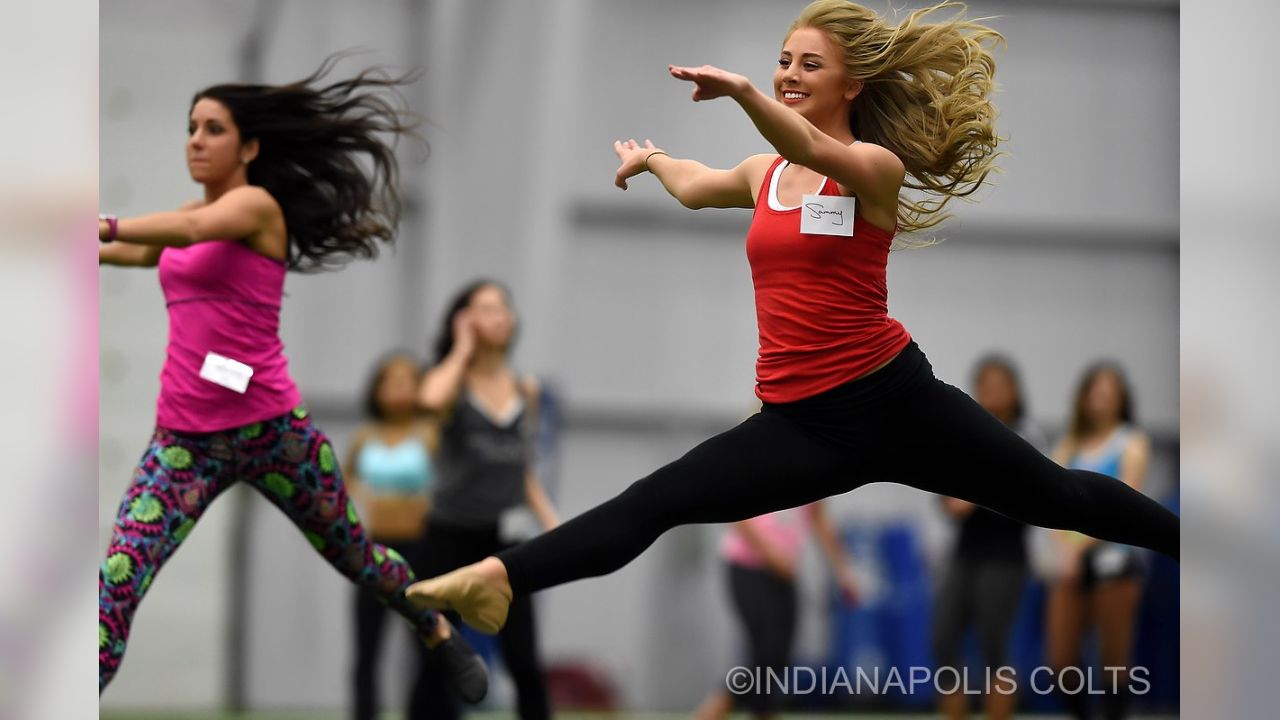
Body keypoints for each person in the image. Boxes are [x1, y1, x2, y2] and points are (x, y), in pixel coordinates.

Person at [403, 0, 1178, 640]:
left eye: (809, 64)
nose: (789, 74)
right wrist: (653, 159)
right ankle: (502, 580)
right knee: (656, 501)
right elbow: (699, 184)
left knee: (1058, 499)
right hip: (800, 423)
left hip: (897, 403)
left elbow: (805, 139)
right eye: (783, 61)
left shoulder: (875, 168)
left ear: (853, 82)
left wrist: (745, 94)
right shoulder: (766, 175)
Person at [97, 57, 487, 703]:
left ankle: (435, 625)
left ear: (249, 147)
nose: (194, 140)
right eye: (190, 128)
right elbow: (140, 248)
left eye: (212, 129)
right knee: (117, 581)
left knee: (358, 557)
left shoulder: (254, 207)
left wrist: (105, 221)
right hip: (184, 444)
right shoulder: (186, 218)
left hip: (273, 432)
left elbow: (188, 229)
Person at [413, 281, 559, 719]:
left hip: (507, 539)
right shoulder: (451, 381)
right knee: (437, 657)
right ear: (465, 320)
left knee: (525, 659)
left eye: (502, 308)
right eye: (484, 309)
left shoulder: (525, 389)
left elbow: (524, 468)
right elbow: (428, 399)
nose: (498, 316)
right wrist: (461, 347)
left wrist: (555, 525)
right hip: (449, 534)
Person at [932, 355, 1044, 720]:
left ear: (1014, 391)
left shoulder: (1026, 433)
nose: (992, 392)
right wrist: (954, 500)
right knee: (943, 638)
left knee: (993, 643)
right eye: (985, 385)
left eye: (1000, 385)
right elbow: (945, 496)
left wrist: (977, 493)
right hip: (966, 552)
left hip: (1006, 555)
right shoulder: (966, 432)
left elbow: (1034, 497)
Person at [1046, 363, 1151, 720]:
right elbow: (1049, 502)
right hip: (1071, 564)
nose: (1102, 398)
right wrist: (1064, 548)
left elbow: (1124, 506)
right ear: (1084, 396)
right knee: (1061, 661)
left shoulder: (1132, 443)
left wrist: (1077, 547)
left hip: (1115, 562)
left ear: (1121, 399)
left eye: (1110, 392)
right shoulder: (1070, 442)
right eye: (1096, 390)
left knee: (1114, 662)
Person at [695, 500, 859, 720]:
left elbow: (819, 519)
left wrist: (843, 569)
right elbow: (736, 515)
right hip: (747, 567)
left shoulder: (812, 475)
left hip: (784, 574)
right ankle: (719, 705)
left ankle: (761, 711)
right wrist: (770, 552)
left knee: (780, 657)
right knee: (767, 652)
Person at [346, 353, 439, 719]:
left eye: (407, 380)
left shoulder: (432, 433)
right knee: (367, 649)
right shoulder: (365, 436)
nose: (399, 388)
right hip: (373, 550)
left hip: (424, 549)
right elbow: (345, 486)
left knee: (428, 643)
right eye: (390, 380)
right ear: (377, 388)